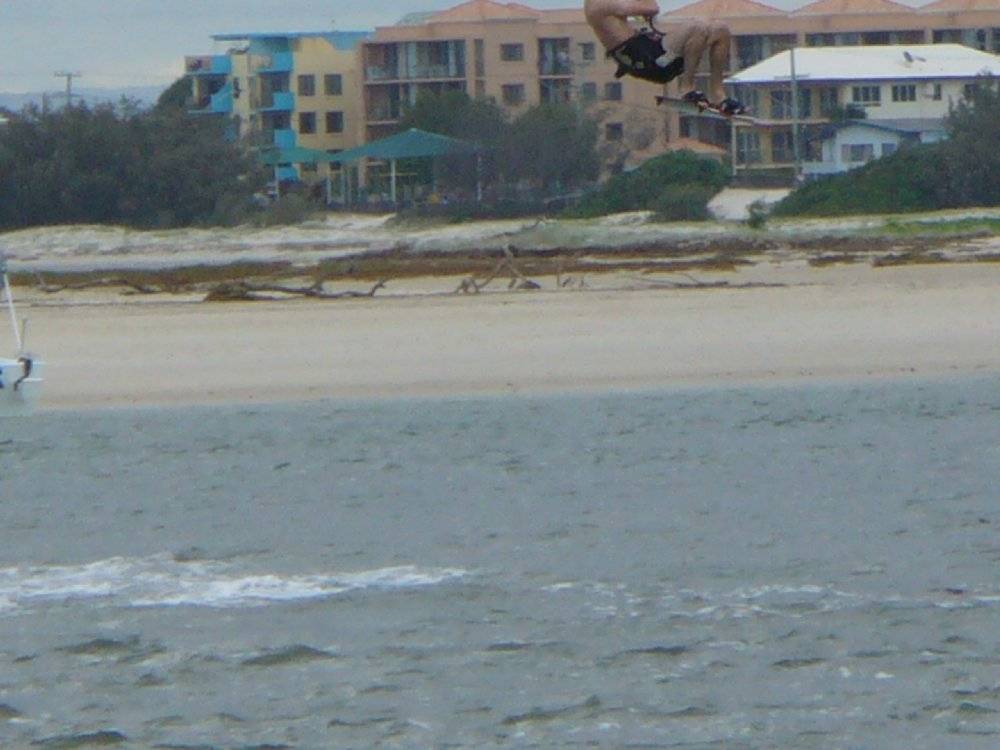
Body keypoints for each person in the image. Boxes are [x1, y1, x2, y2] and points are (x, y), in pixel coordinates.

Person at [584, 0, 746, 115]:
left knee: (721, 30)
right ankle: (686, 89)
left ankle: (719, 95)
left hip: (655, 52)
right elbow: (651, 7)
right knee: (697, 26)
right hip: (645, 61)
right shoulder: (598, 3)